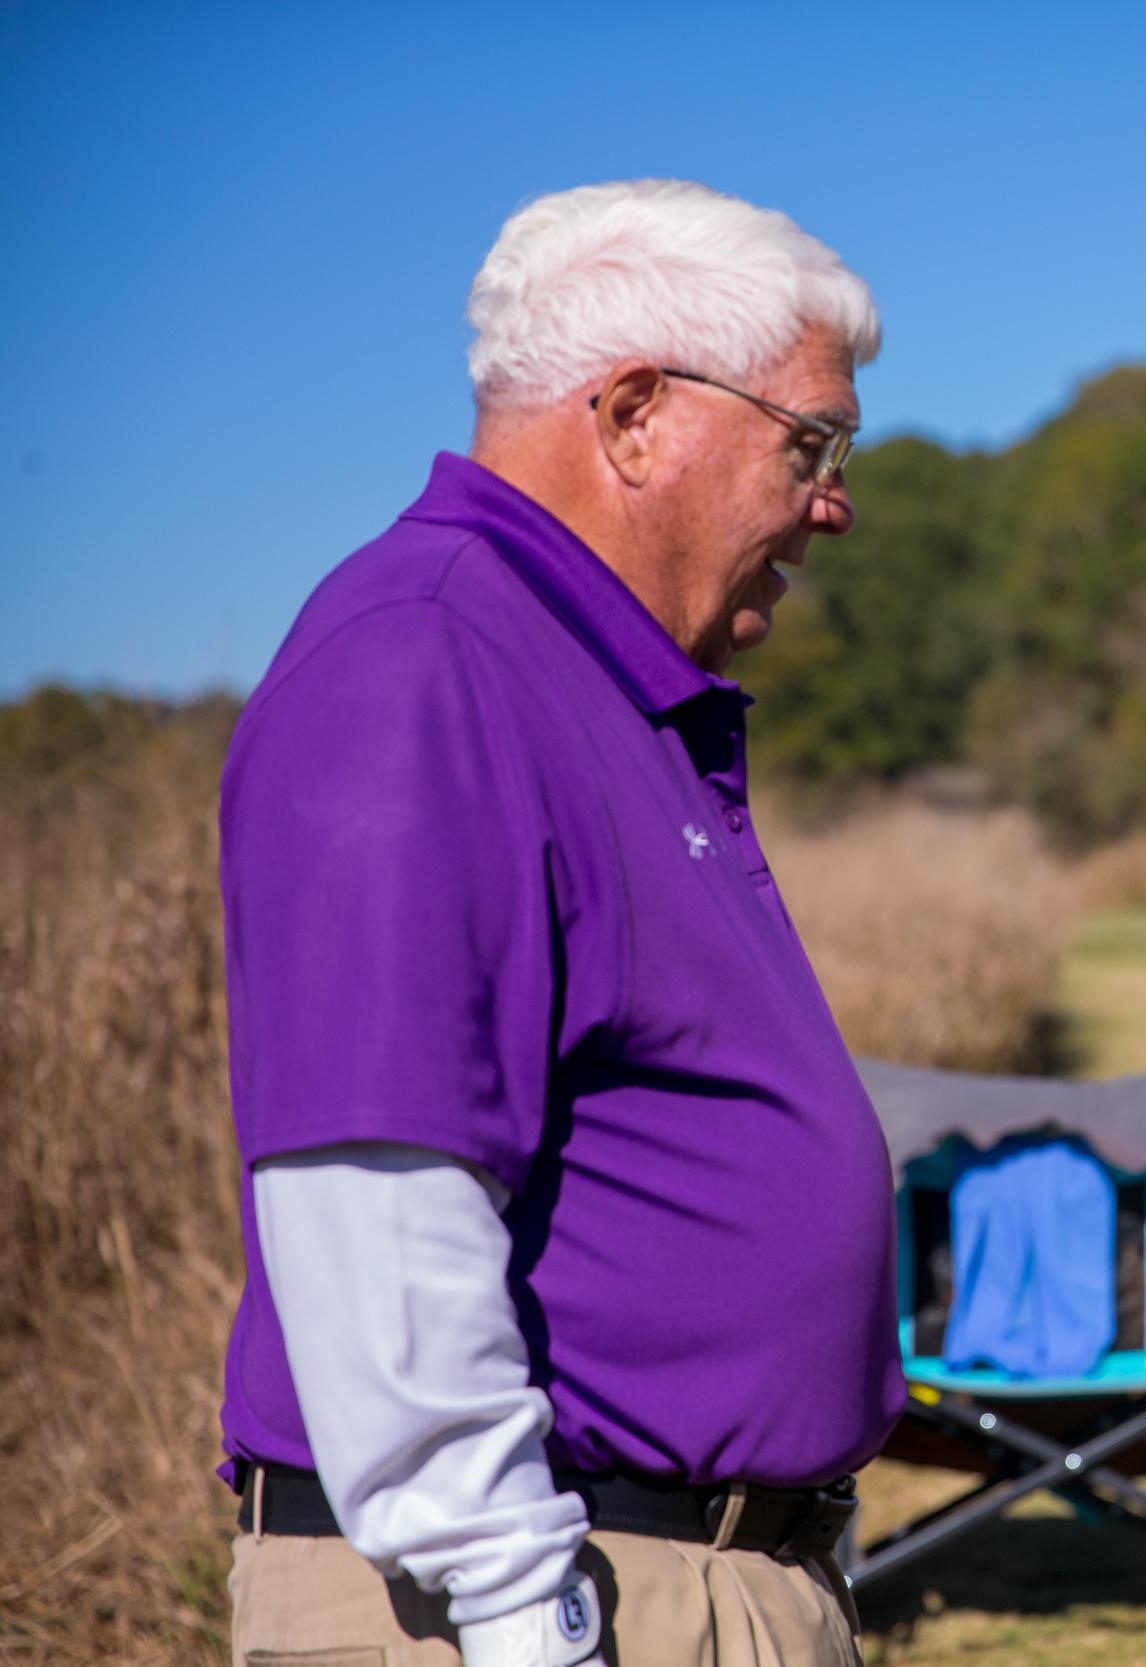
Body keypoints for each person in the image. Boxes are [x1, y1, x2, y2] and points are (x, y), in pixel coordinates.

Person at [216, 180, 898, 1667]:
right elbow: (377, 1190)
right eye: (811, 443)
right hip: (539, 1598)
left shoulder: (593, 685)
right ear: (638, 412)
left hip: (672, 1581)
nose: (834, 501)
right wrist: (528, 1616)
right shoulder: (427, 662)